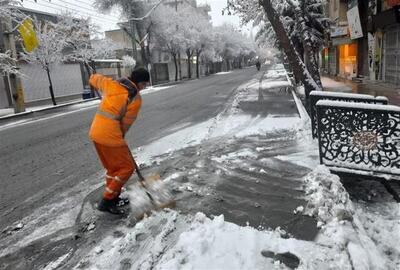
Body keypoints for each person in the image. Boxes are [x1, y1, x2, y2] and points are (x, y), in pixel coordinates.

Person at [88, 68, 150, 215]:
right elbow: (125, 124)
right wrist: (120, 138)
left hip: (95, 133)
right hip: (110, 135)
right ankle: (107, 200)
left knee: (113, 169)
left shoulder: (112, 84)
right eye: (145, 84)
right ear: (140, 83)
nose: (144, 87)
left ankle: (113, 197)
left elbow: (94, 78)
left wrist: (92, 79)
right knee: (126, 168)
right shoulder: (135, 99)